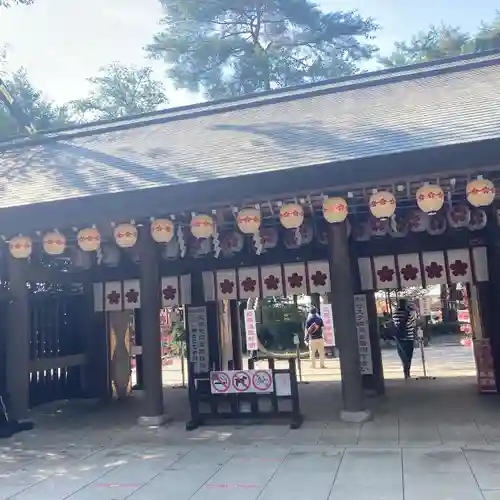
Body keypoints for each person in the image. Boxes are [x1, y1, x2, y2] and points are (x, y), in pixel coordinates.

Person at [392, 298, 417, 379]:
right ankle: (407, 373)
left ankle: (405, 372)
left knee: (403, 356)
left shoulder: (395, 313)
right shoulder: (411, 313)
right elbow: (413, 324)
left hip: (399, 338)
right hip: (409, 337)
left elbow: (395, 324)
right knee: (409, 356)